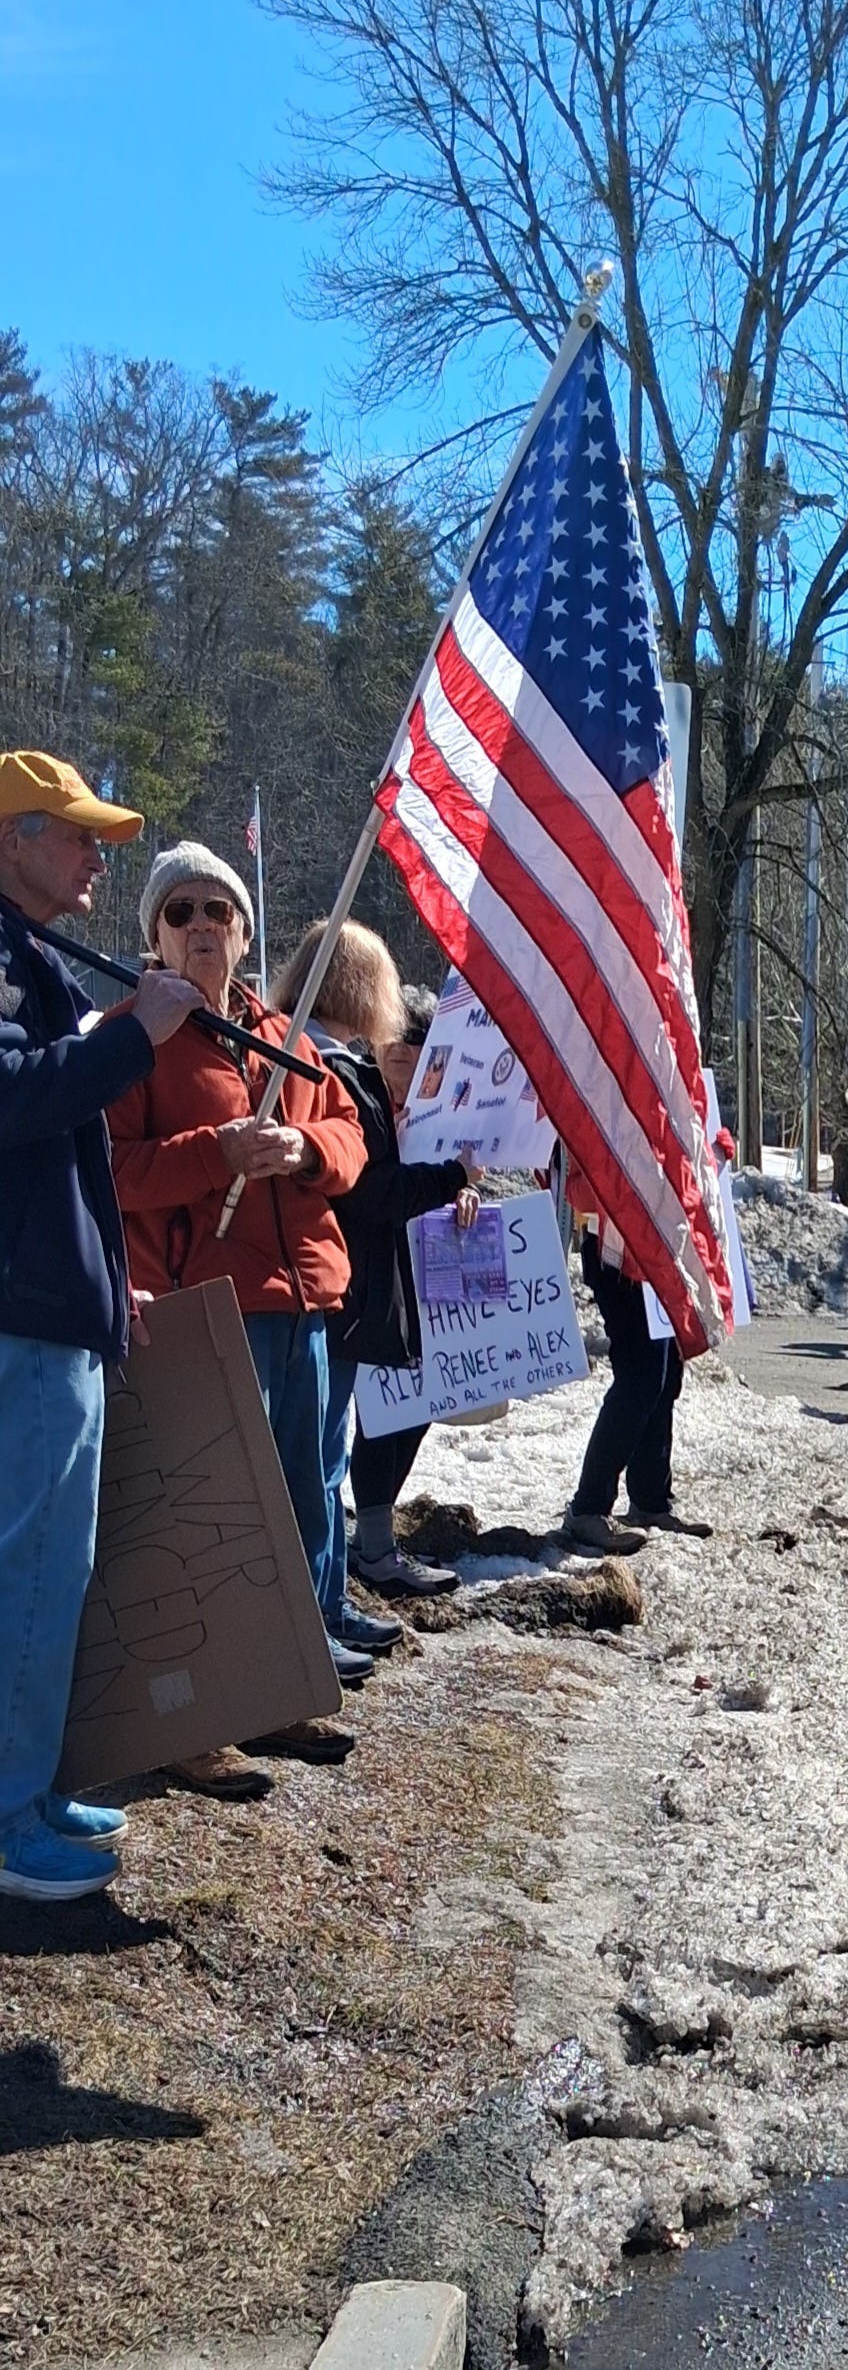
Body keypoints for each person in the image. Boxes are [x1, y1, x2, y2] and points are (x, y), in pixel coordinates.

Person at [105, 842, 370, 1796]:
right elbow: (114, 1173)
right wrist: (214, 1153)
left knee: (302, 1499)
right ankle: (199, 1719)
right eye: (180, 912)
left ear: (245, 931)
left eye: (218, 909)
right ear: (155, 934)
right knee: (213, 1520)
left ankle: (279, 1689)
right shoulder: (132, 1037)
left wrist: (304, 1149)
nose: (202, 926)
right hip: (204, 1311)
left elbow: (351, 1136)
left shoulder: (283, 1031)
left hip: (304, 1302)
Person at [0, 752, 202, 1900]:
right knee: (29, 1567)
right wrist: (134, 1040)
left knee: (50, 1564)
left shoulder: (30, 954)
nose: (96, 857)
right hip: (21, 1318)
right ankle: (7, 1814)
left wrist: (99, 1275)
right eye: (76, 834)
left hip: (49, 1304)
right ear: (13, 838)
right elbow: (12, 1097)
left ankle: (26, 1784)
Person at [271, 932, 480, 1610]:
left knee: (330, 1452)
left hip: (348, 1282)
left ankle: (333, 1599)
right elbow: (368, 1189)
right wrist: (449, 1177)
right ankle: (323, 1609)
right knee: (321, 1458)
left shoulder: (320, 1061)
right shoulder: (334, 1071)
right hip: (340, 1285)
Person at [561, 1163, 712, 1553]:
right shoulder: (591, 1119)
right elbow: (574, 1187)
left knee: (665, 1373)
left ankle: (650, 1499)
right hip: (615, 1254)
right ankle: (588, 1507)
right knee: (640, 1378)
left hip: (657, 1248)